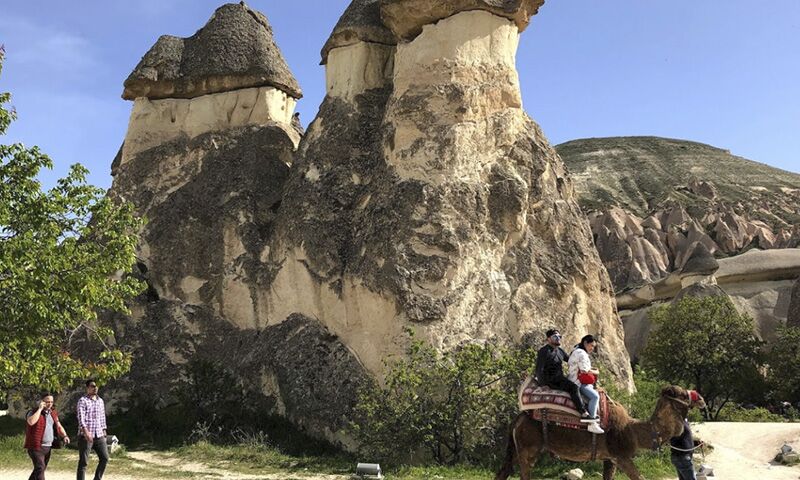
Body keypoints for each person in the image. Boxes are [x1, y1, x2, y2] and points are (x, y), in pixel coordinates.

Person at [534, 329, 593, 424]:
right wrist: (543, 384)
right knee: (573, 387)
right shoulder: (544, 351)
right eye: (555, 337)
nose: (558, 339)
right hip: (551, 380)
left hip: (560, 378)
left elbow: (570, 360)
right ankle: (583, 413)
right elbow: (539, 369)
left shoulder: (560, 351)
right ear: (548, 339)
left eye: (559, 337)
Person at [25, 392, 70, 480]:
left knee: (39, 470)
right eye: (47, 401)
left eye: (51, 402)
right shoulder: (33, 412)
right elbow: (31, 422)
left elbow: (59, 426)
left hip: (47, 447)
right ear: (42, 401)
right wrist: (39, 409)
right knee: (40, 468)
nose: (50, 404)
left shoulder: (53, 413)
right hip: (36, 447)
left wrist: (65, 436)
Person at [568, 334, 604, 434]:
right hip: (578, 382)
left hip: (574, 378)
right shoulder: (582, 354)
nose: (592, 348)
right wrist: (596, 372)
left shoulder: (576, 350)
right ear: (585, 343)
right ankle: (591, 423)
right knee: (595, 396)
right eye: (591, 345)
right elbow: (584, 371)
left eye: (593, 346)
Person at [77, 379, 109, 480]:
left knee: (105, 458)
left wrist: (104, 430)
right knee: (84, 462)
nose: (95, 388)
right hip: (86, 436)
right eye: (92, 386)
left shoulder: (100, 401)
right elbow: (81, 417)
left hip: (99, 434)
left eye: (96, 386)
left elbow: (102, 416)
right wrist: (85, 432)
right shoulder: (83, 401)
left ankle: (97, 478)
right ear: (87, 388)